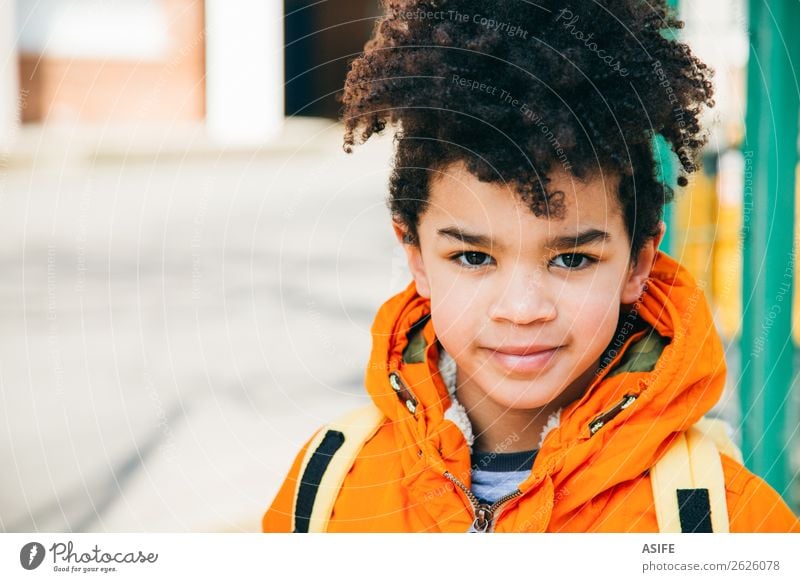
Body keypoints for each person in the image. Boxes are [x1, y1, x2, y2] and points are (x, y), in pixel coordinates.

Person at [262, 0, 800, 532]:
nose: (522, 310)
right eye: (473, 257)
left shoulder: (723, 522)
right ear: (416, 257)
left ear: (638, 263)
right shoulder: (327, 491)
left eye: (571, 258)